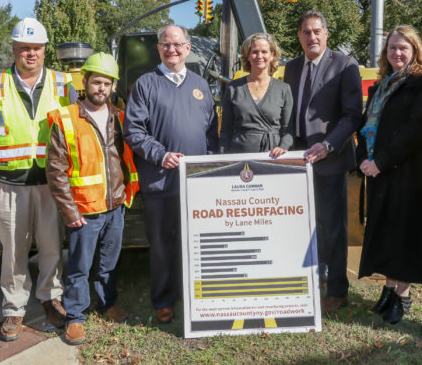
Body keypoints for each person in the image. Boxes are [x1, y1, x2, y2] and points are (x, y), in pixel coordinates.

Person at [0, 17, 77, 342]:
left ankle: (50, 299)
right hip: (7, 186)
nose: (31, 53)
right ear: (14, 49)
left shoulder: (63, 84)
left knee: (51, 248)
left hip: (51, 185)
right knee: (14, 251)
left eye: (37, 48)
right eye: (25, 47)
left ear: (45, 51)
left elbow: (78, 136)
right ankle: (13, 309)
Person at [123, 25, 218, 324]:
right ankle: (163, 300)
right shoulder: (145, 85)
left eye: (178, 44)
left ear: (188, 48)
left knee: (196, 243)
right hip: (160, 182)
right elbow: (133, 131)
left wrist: (211, 165)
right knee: (162, 245)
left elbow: (211, 134)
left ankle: (192, 295)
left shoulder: (201, 85)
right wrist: (161, 155)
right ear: (159, 49)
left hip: (196, 184)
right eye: (166, 44)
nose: (172, 49)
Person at [47, 52, 139, 345]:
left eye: (107, 83)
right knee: (79, 266)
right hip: (84, 211)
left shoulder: (120, 118)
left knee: (108, 263)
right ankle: (75, 317)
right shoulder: (67, 119)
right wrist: (70, 211)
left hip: (115, 206)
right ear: (85, 82)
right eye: (97, 82)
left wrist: (125, 197)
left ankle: (106, 303)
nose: (102, 88)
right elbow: (56, 171)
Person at [283, 10, 362, 313]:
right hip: (297, 160)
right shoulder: (290, 68)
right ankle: (310, 280)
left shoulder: (345, 65)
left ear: (326, 34)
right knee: (302, 224)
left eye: (317, 31)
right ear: (299, 36)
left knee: (333, 226)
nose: (311, 37)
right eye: (305, 32)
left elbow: (353, 114)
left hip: (329, 157)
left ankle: (338, 289)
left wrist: (328, 145)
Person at [356, 25, 422, 324]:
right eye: (392, 48)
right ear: (385, 53)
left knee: (405, 233)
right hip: (379, 171)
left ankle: (402, 295)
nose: (397, 53)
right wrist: (364, 158)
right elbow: (365, 126)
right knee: (386, 230)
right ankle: (388, 290)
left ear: (415, 51)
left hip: (406, 172)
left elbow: (414, 132)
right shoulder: (380, 86)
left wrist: (381, 161)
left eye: (404, 47)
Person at [219, 32, 293, 156]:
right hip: (240, 157)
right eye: (254, 52)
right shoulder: (234, 88)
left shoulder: (283, 89)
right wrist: (223, 160)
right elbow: (226, 131)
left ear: (272, 55)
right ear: (247, 55)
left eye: (264, 51)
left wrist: (282, 147)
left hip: (272, 157)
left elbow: (287, 130)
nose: (259, 56)